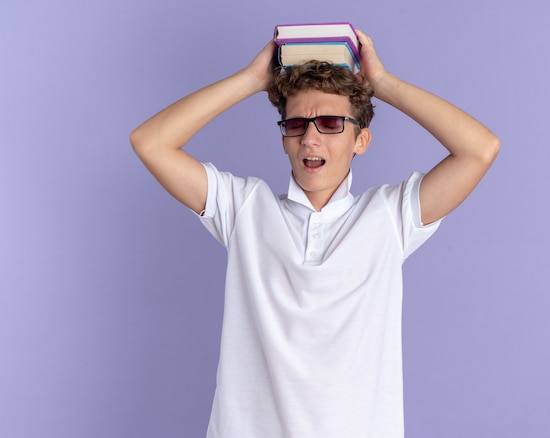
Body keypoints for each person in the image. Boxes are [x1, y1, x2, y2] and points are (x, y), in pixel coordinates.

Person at [130, 29, 499, 438]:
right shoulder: (244, 209)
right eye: (296, 124)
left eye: (329, 123)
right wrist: (253, 80)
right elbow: (150, 143)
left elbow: (480, 149)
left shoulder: (389, 217)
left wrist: (383, 84)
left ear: (361, 140)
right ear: (284, 137)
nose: (310, 138)